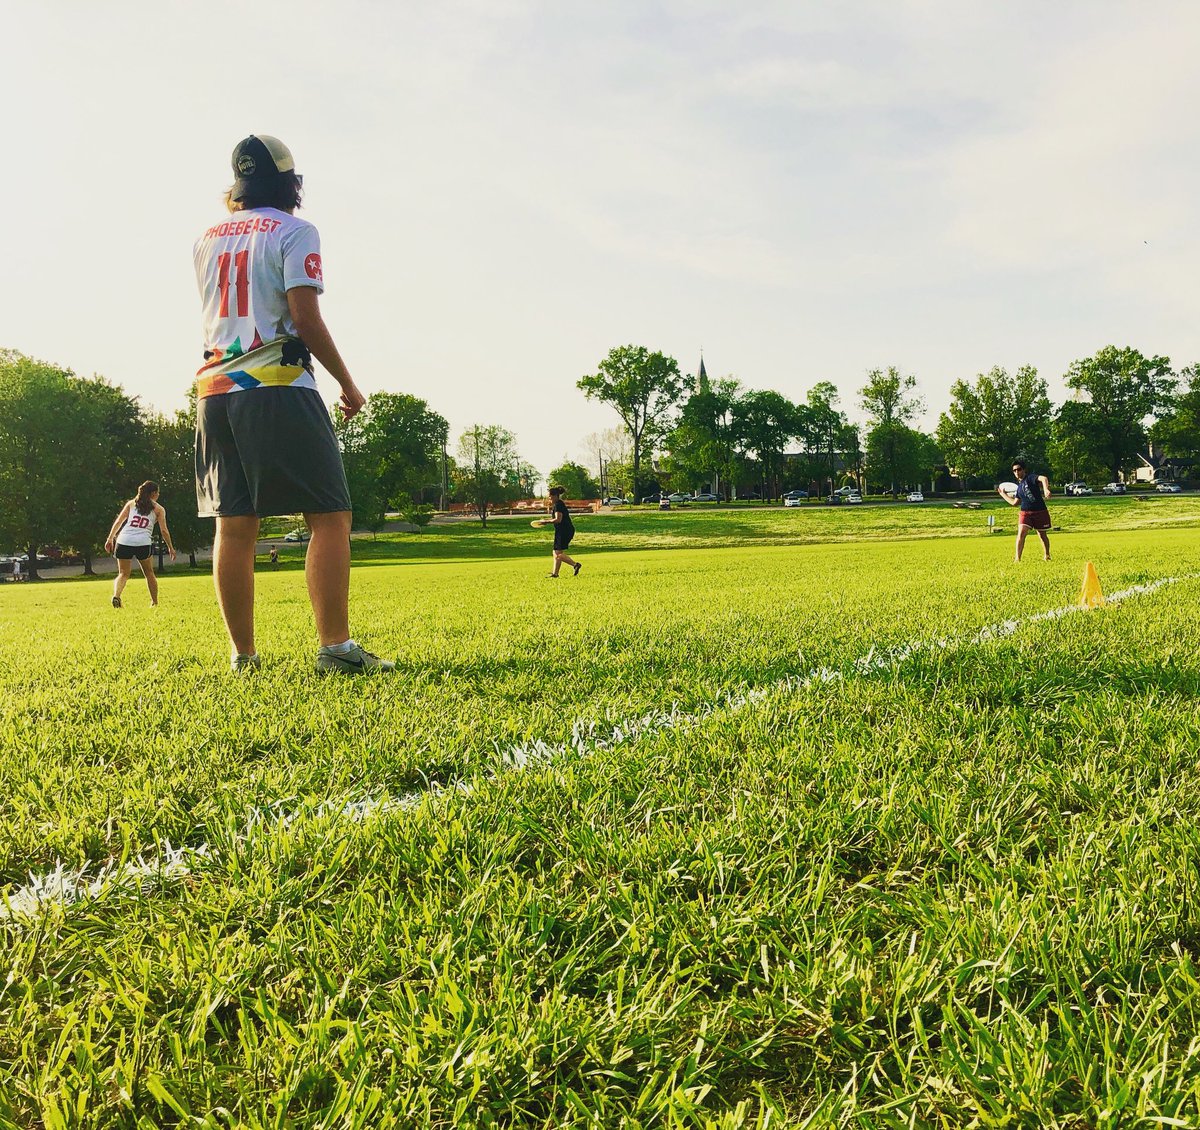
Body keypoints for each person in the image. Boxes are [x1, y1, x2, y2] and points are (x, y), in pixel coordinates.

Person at [193, 134, 393, 674]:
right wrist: (348, 385)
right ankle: (336, 648)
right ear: (289, 182)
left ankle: (244, 656)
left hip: (214, 391)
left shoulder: (207, 237)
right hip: (277, 382)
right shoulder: (295, 230)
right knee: (330, 514)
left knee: (234, 525)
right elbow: (303, 317)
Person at [105, 481, 176, 607]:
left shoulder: (131, 504)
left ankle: (116, 595)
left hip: (124, 540)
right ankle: (154, 602)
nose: (158, 494)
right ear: (153, 493)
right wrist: (170, 547)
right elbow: (164, 531)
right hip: (142, 542)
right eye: (157, 492)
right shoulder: (159, 509)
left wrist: (110, 538)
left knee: (123, 573)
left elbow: (119, 522)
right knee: (149, 573)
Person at [1000, 458, 1052, 562]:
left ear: (1024, 470)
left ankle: (1047, 555)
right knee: (1021, 533)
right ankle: (1017, 559)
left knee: (1042, 535)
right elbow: (1015, 503)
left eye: (1018, 469)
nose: (1016, 472)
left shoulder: (1030, 478)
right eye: (1014, 470)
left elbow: (1043, 478)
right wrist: (1003, 494)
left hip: (1040, 511)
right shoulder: (1019, 488)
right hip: (1025, 513)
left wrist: (1046, 489)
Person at [545, 486, 581, 578]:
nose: (549, 498)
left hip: (564, 531)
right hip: (563, 530)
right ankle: (555, 574)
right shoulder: (558, 504)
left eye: (550, 496)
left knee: (558, 554)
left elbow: (558, 520)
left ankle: (575, 565)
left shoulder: (558, 505)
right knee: (555, 553)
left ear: (556, 496)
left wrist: (545, 521)